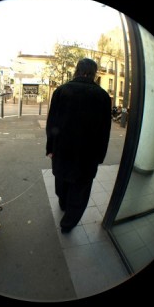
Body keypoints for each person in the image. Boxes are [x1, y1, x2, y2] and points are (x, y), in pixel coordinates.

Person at [46, 58, 112, 233]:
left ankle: (63, 202)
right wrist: (100, 155)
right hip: (88, 155)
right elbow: (105, 130)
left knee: (62, 180)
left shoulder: (61, 91)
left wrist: (50, 148)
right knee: (80, 189)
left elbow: (51, 123)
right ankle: (68, 224)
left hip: (62, 150)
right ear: (94, 74)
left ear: (77, 70)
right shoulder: (103, 96)